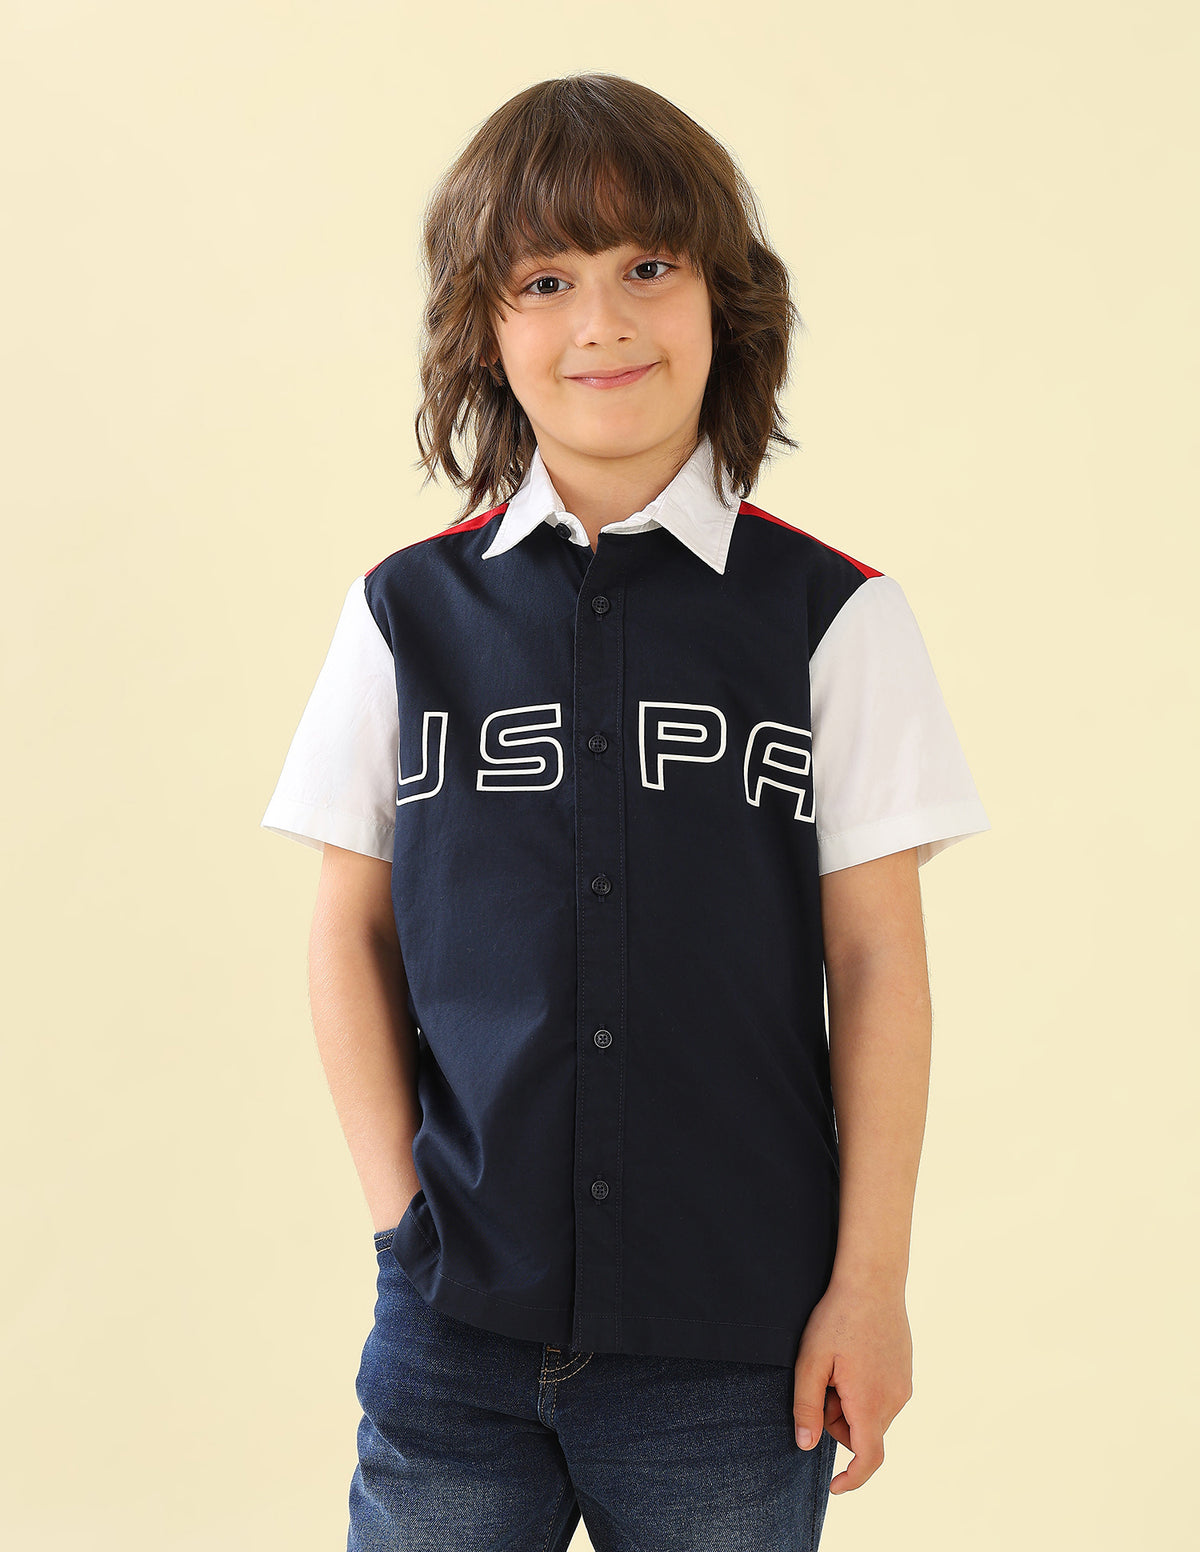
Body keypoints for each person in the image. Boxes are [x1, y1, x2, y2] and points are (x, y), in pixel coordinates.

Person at [261, 71, 990, 1552]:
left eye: (648, 266)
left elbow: (879, 966)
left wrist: (871, 1282)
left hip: (737, 1346)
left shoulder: (833, 618)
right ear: (485, 330)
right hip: (455, 1332)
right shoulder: (403, 615)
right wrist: (403, 1230)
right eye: (546, 281)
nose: (602, 322)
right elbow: (347, 933)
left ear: (725, 300)